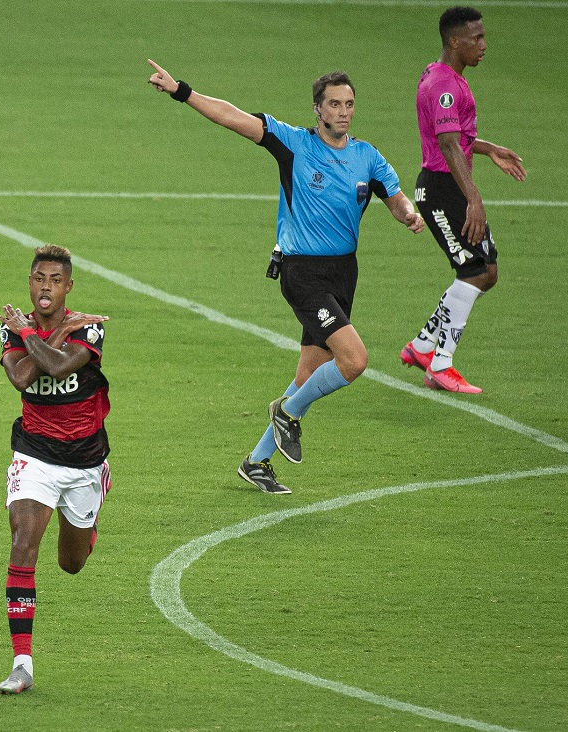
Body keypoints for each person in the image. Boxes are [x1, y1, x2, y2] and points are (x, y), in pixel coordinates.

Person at [147, 59, 426, 495]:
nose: (343, 111)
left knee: (308, 375)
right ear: (318, 109)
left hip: (343, 273)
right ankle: (287, 413)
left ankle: (256, 461)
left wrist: (408, 215)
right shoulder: (293, 144)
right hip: (302, 272)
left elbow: (395, 198)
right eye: (334, 104)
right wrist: (183, 91)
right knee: (353, 361)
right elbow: (234, 117)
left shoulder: (367, 156)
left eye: (349, 104)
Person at [0, 244, 111, 693]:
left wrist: (42, 335)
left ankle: (93, 511)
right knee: (23, 544)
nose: (46, 287)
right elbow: (22, 378)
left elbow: (58, 365)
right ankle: (21, 664)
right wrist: (41, 332)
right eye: (39, 278)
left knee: (71, 564)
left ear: (68, 287)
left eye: (55, 281)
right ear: (30, 283)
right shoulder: (11, 330)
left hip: (84, 461)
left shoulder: (93, 329)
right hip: (34, 454)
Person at [401, 6, 526, 394]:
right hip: (441, 190)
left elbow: (457, 134)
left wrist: (488, 149)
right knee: (474, 272)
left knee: (485, 271)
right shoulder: (443, 85)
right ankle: (441, 364)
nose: (483, 45)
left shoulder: (446, 76)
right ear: (454, 41)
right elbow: (448, 143)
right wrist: (474, 198)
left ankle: (423, 346)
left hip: (450, 185)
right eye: (476, 38)